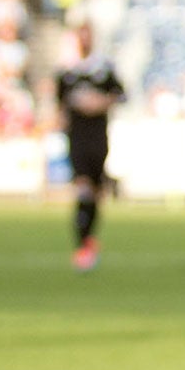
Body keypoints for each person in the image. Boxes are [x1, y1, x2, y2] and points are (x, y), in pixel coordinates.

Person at [55, 18, 125, 271]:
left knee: (95, 193)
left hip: (98, 136)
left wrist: (100, 102)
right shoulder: (67, 73)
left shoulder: (103, 69)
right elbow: (60, 105)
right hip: (77, 138)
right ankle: (83, 245)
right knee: (82, 188)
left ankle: (89, 239)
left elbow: (121, 94)